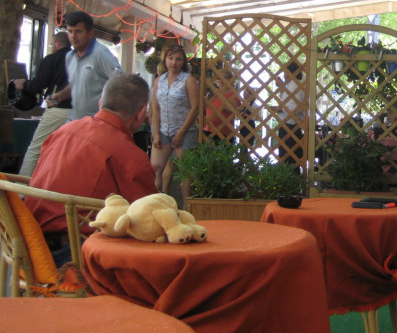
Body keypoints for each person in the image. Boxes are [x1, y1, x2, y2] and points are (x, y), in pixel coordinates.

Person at [25, 73, 158, 267]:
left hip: (28, 244)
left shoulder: (63, 131)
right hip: (77, 256)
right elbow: (150, 217)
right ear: (141, 113)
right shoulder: (131, 157)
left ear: (101, 103)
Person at [47, 11, 122, 121]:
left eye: (78, 31)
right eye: (70, 31)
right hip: (75, 121)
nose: (73, 36)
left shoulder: (100, 54)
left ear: (90, 33)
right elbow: (75, 84)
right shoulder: (70, 57)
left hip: (97, 123)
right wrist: (60, 96)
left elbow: (121, 82)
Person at [14, 32, 72, 177]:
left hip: (58, 109)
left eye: (52, 44)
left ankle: (21, 187)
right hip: (80, 112)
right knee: (65, 151)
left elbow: (39, 84)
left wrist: (24, 84)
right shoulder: (81, 59)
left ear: (58, 44)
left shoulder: (52, 59)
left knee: (35, 149)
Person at [150, 44, 199, 197]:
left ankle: (186, 205)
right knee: (156, 167)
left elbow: (195, 108)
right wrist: (155, 134)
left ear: (183, 62)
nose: (174, 62)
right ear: (165, 60)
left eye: (178, 59)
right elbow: (156, 109)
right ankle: (155, 202)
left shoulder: (188, 80)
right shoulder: (159, 81)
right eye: (170, 58)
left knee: (185, 171)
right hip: (163, 130)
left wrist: (181, 132)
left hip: (185, 130)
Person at [276, 61, 306, 163]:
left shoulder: (295, 85)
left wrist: (280, 109)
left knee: (288, 159)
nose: (284, 75)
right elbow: (287, 103)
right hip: (289, 126)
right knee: (288, 158)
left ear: (291, 72)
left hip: (290, 127)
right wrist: (282, 88)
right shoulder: (292, 85)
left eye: (285, 72)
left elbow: (295, 108)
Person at [204, 67, 242, 143]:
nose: (221, 80)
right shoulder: (213, 93)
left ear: (231, 79)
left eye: (225, 77)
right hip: (208, 129)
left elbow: (230, 109)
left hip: (223, 132)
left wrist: (220, 92)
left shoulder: (233, 94)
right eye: (219, 78)